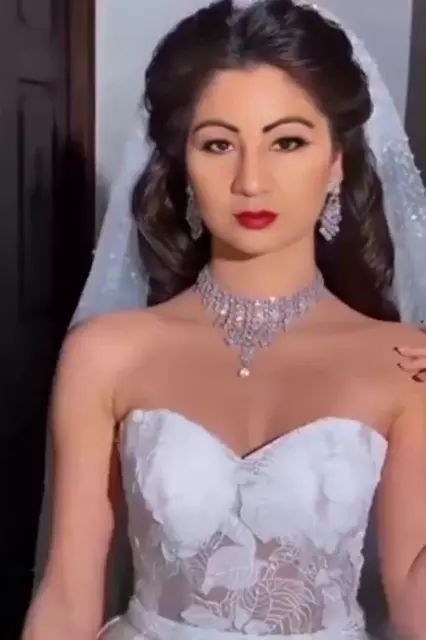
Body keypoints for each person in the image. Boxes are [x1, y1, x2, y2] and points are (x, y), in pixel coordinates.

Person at [23, 1, 426, 639]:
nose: (251, 180)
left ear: (336, 162)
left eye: (287, 141)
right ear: (183, 165)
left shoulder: (402, 364)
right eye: (218, 144)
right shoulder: (106, 354)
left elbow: (416, 606)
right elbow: (68, 594)